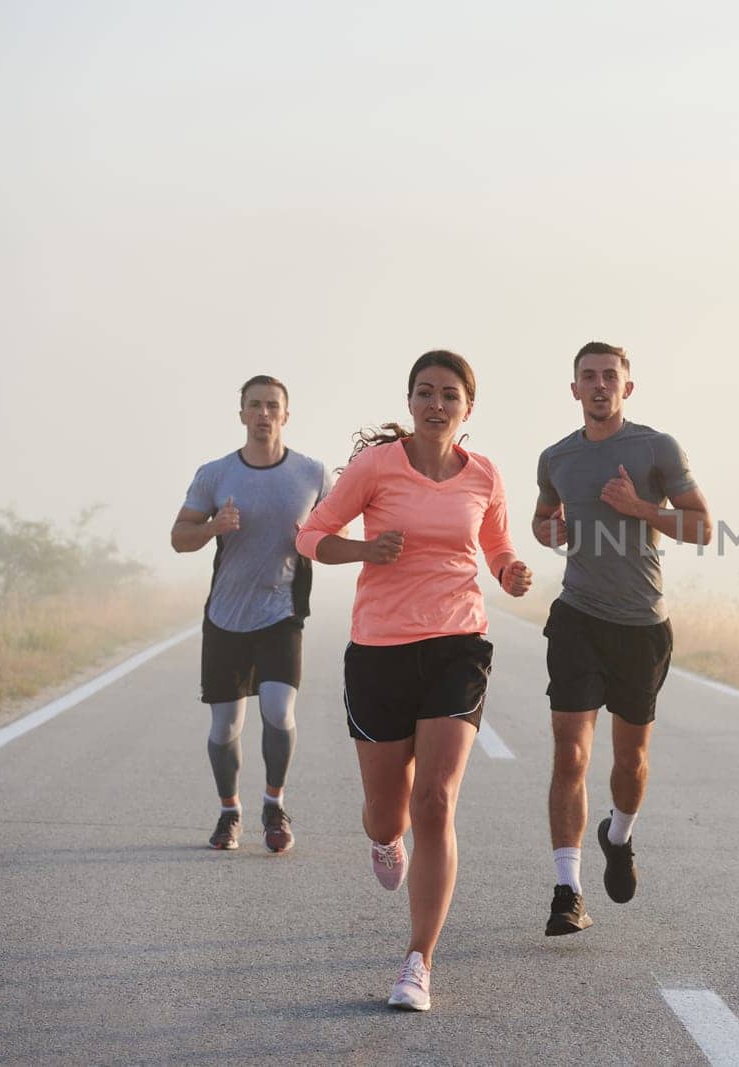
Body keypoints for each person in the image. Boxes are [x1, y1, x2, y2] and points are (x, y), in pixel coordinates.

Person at [295, 350, 532, 1013]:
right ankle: (382, 837)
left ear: (467, 408)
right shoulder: (377, 467)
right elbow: (311, 536)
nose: (436, 404)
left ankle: (418, 962)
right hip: (379, 650)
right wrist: (364, 550)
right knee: (388, 809)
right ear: (410, 402)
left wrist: (510, 571)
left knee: (435, 801)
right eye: (425, 392)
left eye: (448, 394)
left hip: (459, 643)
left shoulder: (484, 473)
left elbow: (497, 545)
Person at [531, 341, 712, 936]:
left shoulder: (656, 448)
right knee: (571, 754)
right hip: (577, 616)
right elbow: (543, 519)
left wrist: (638, 507)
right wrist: (547, 531)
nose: (601, 385)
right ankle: (567, 890)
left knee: (630, 759)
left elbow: (702, 527)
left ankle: (620, 836)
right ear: (575, 389)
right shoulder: (555, 457)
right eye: (589, 377)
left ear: (627, 388)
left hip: (640, 626)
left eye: (611, 376)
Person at [171, 375, 332, 854]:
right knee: (226, 728)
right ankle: (229, 812)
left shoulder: (313, 474)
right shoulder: (216, 474)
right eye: (255, 406)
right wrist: (212, 526)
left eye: (272, 406)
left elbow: (335, 530)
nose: (263, 414)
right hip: (225, 618)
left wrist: (318, 539)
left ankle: (273, 803)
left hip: (282, 612)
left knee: (279, 712)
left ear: (286, 414)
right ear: (241, 414)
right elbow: (179, 537)